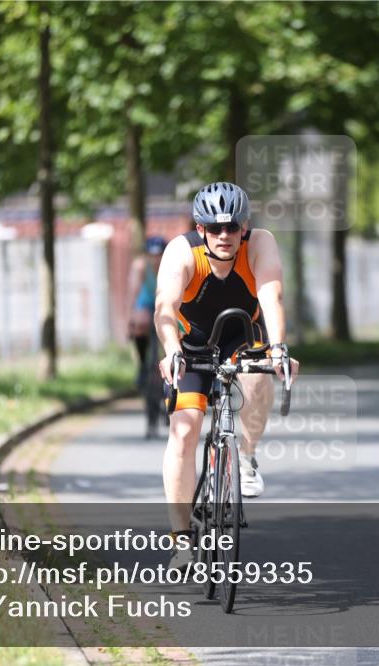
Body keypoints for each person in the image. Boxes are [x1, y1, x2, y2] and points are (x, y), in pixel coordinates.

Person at [154, 182, 299, 569]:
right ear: (200, 229)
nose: (224, 235)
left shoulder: (260, 243)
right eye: (215, 229)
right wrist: (171, 352)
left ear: (244, 226)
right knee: (183, 431)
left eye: (232, 227)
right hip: (191, 343)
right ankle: (181, 540)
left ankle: (246, 456)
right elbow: (164, 308)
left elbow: (272, 296)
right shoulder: (182, 252)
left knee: (257, 371)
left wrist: (280, 348)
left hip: (243, 334)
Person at [127, 236, 167, 386]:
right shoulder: (140, 266)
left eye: (159, 255)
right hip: (146, 301)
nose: (155, 259)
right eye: (152, 255)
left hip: (165, 300)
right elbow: (133, 293)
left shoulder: (171, 264)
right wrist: (130, 318)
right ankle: (143, 364)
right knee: (140, 323)